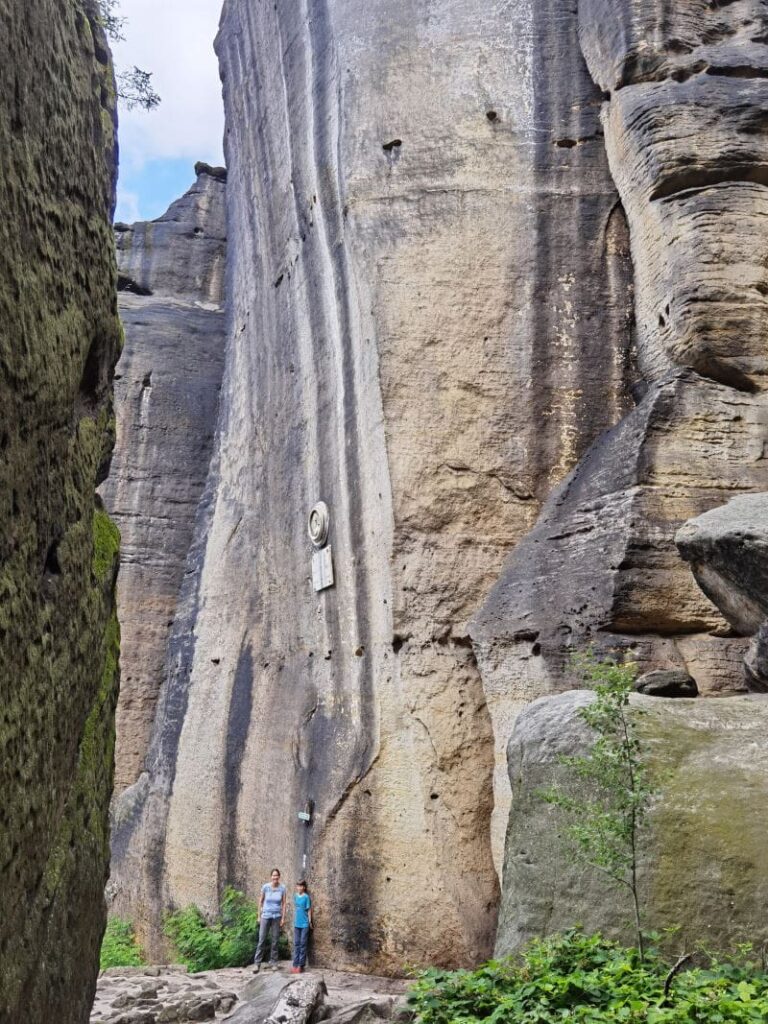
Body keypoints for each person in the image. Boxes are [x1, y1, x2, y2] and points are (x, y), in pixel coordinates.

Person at [252, 868, 286, 972]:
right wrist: (259, 916)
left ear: (279, 877)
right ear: (271, 877)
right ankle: (257, 964)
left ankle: (274, 962)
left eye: (277, 875)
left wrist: (283, 918)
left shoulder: (282, 888)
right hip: (265, 916)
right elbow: (260, 901)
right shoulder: (265, 887)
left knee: (275, 940)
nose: (275, 877)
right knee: (262, 940)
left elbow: (284, 904)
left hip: (276, 916)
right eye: (273, 875)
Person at [291, 879, 312, 973]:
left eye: (301, 886)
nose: (299, 888)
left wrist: (310, 921)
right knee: (297, 944)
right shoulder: (295, 896)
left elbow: (309, 910)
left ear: (304, 887)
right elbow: (296, 908)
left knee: (303, 944)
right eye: (298, 886)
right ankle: (295, 964)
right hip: (297, 924)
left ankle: (301, 965)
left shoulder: (306, 897)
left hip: (304, 924)